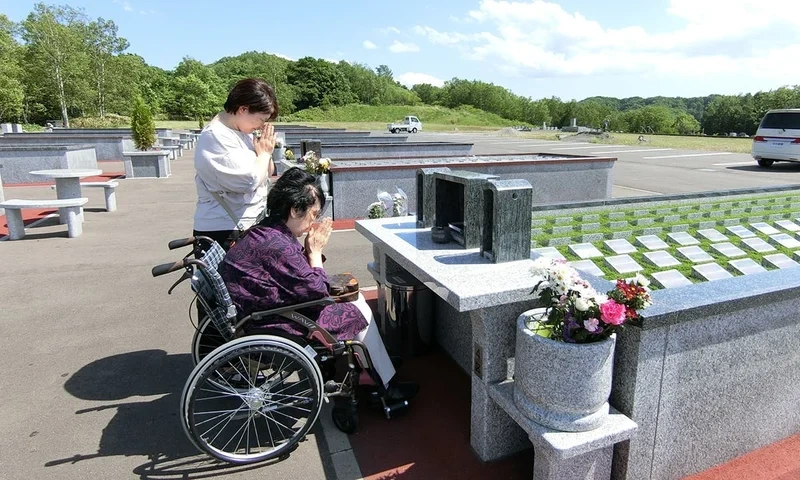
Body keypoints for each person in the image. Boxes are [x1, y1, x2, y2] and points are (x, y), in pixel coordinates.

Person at [219, 167, 418, 402]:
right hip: (276, 321)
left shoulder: (266, 231)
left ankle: (374, 362)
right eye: (313, 214)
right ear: (295, 209)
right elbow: (316, 290)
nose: (314, 220)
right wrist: (315, 253)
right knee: (357, 309)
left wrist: (309, 252)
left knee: (357, 300)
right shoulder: (277, 245)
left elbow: (296, 278)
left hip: (260, 312)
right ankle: (384, 382)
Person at [193, 78, 279, 251]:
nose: (261, 126)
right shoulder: (216, 137)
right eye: (260, 120)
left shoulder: (241, 131)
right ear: (243, 109)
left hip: (244, 223)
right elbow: (250, 180)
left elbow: (268, 172)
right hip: (224, 230)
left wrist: (265, 153)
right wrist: (263, 154)